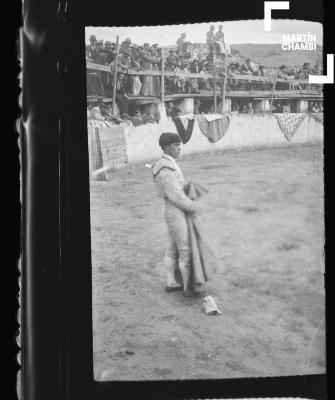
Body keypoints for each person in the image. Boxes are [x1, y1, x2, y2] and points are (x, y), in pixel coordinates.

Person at [152, 133, 198, 294]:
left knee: (172, 247)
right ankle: (188, 287)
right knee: (185, 249)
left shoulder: (166, 163)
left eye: (180, 144)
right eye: (175, 145)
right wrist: (193, 206)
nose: (180, 148)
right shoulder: (165, 166)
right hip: (175, 210)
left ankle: (172, 282)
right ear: (165, 147)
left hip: (173, 209)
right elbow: (175, 196)